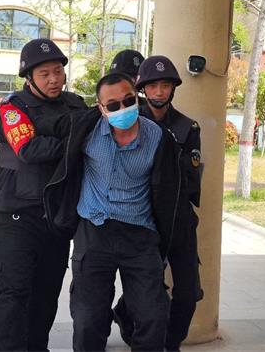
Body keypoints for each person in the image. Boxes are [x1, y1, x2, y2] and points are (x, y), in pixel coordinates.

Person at [37, 72, 182, 352]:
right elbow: (44, 123)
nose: (122, 109)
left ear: (137, 98)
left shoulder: (158, 138)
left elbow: (168, 192)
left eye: (128, 100)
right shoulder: (85, 127)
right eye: (113, 105)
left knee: (153, 317)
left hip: (140, 235)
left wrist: (168, 241)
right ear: (101, 109)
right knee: (88, 320)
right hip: (94, 232)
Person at [0, 38, 87, 351]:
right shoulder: (12, 108)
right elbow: (30, 149)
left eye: (58, 71)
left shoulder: (76, 105)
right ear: (29, 77)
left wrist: (60, 135)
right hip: (15, 215)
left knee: (45, 295)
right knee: (11, 293)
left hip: (56, 216)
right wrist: (72, 141)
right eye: (45, 74)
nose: (54, 79)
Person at [113, 55, 203, 352]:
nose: (160, 92)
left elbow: (191, 178)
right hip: (143, 219)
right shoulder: (130, 122)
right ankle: (130, 324)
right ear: (142, 89)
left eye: (165, 85)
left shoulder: (187, 127)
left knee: (189, 292)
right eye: (153, 86)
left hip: (179, 220)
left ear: (173, 88)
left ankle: (172, 342)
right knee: (147, 290)